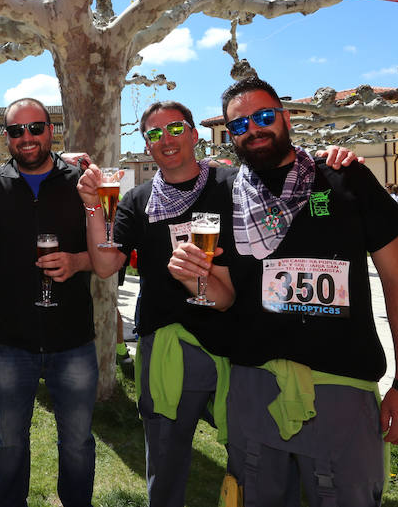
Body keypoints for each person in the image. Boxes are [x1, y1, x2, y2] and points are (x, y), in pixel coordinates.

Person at [172, 76, 398, 505]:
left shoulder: (345, 177)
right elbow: (230, 296)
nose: (253, 128)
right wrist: (194, 279)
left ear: (286, 118)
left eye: (264, 116)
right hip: (254, 386)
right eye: (239, 124)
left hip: (341, 386)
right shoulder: (228, 195)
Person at [77, 101, 240, 507]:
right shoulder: (137, 200)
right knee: (165, 461)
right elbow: (105, 264)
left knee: (248, 455)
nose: (165, 140)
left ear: (194, 134)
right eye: (153, 134)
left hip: (234, 340)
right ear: (146, 146)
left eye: (175, 129)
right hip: (166, 344)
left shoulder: (233, 184)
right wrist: (93, 207)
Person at [0, 98, 96, 507]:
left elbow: (110, 254)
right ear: (6, 137)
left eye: (36, 128)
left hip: (73, 338)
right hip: (11, 342)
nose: (27, 138)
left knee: (76, 442)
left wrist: (77, 262)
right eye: (17, 131)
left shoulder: (81, 181)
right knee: (10, 443)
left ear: (51, 130)